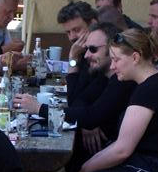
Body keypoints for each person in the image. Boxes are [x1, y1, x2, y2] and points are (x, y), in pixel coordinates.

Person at [65, 29, 158, 172]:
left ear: (135, 57)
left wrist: (84, 171)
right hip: (148, 167)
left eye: (116, 59)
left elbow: (122, 150)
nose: (112, 66)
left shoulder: (150, 89)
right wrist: (84, 168)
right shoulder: (150, 84)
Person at [14, 23, 136, 162]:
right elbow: (76, 100)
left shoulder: (122, 80)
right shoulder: (103, 75)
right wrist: (73, 58)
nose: (86, 55)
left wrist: (39, 108)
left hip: (109, 155)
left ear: (112, 49)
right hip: (94, 149)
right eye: (86, 49)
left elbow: (91, 115)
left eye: (93, 49)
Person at [56, 0, 98, 104]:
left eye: (77, 30)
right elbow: (72, 98)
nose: (72, 37)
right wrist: (73, 59)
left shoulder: (99, 54)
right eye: (68, 32)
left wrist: (73, 57)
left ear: (93, 24)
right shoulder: (81, 51)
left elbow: (75, 102)